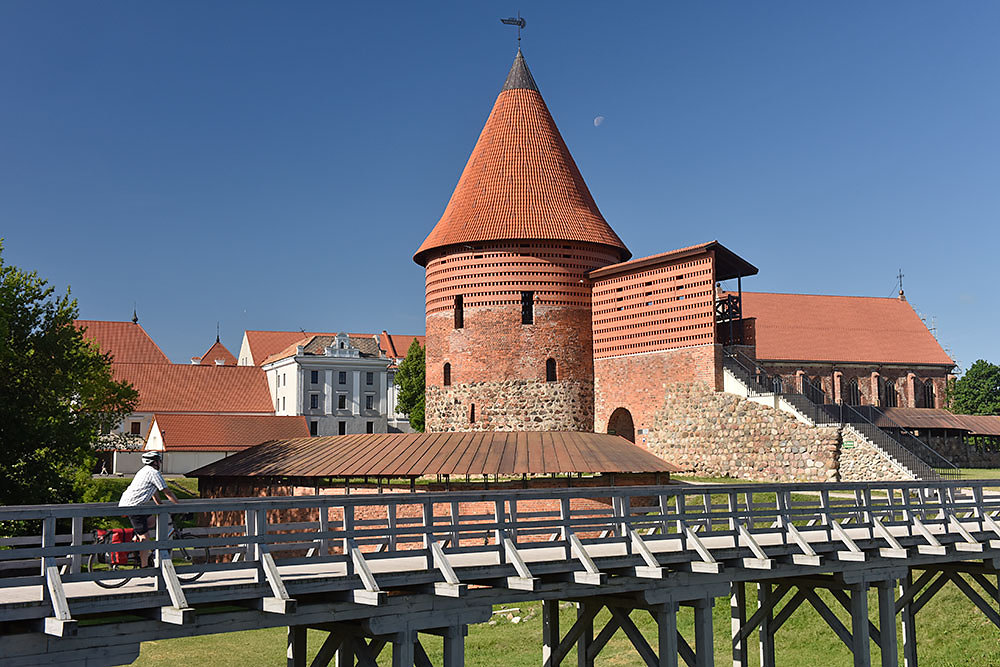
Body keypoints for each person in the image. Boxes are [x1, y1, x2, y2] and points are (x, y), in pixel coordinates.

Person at [118, 451, 179, 567]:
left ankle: (137, 538)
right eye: (159, 460)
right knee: (146, 538)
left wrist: (160, 505)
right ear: (154, 462)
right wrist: (179, 507)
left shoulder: (144, 471)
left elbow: (153, 491)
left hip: (135, 506)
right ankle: (144, 567)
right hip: (134, 507)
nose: (160, 463)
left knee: (153, 522)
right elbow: (166, 491)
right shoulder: (153, 472)